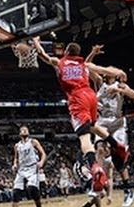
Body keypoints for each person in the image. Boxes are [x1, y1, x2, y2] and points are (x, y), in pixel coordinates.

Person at [32, 36, 128, 187]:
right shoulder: (83, 64)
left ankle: (93, 166)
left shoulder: (60, 62)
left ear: (67, 51)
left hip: (77, 98)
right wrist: (119, 72)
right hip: (91, 96)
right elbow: (103, 70)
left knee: (84, 138)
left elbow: (43, 55)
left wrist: (36, 42)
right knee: (92, 127)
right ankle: (117, 145)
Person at [85, 44, 134, 207]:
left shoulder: (121, 85)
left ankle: (128, 190)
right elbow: (86, 66)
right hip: (102, 122)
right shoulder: (100, 82)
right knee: (99, 150)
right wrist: (92, 54)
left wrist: (123, 92)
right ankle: (98, 184)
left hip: (117, 123)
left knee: (117, 159)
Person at [7, 125, 47, 207]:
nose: (24, 130)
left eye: (26, 129)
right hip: (21, 170)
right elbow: (15, 158)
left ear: (28, 132)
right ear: (20, 134)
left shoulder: (34, 142)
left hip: (33, 168)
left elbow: (43, 154)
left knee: (31, 189)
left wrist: (41, 162)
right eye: (22, 130)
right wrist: (14, 164)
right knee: (15, 193)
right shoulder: (17, 146)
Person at [79, 140, 114, 207]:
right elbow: (80, 156)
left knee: (102, 193)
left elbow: (110, 178)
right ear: (96, 149)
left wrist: (110, 195)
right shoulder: (92, 155)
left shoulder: (109, 162)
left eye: (108, 147)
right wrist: (83, 166)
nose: (106, 149)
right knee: (99, 191)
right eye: (103, 147)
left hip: (94, 175)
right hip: (82, 169)